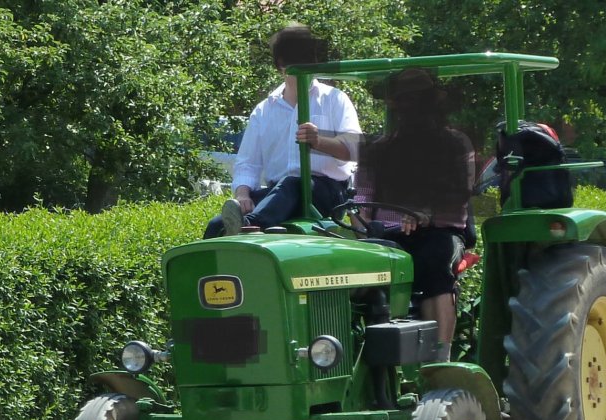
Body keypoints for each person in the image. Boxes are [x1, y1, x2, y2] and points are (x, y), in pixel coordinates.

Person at [354, 68, 475, 361]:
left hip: (441, 231)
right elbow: (363, 198)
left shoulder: (455, 144)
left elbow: (461, 193)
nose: (411, 110)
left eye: (418, 102)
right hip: (386, 235)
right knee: (349, 269)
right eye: (404, 102)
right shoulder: (378, 150)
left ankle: (440, 360)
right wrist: (361, 230)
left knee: (433, 264)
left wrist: (425, 213)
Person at [203, 24, 361, 238]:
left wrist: (319, 141)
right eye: (293, 61)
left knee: (293, 182)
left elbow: (354, 149)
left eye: (306, 60)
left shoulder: (334, 99)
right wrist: (242, 195)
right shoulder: (264, 110)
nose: (301, 68)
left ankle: (249, 226)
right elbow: (248, 162)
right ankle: (211, 268)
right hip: (279, 193)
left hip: (327, 192)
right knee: (217, 225)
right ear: (280, 65)